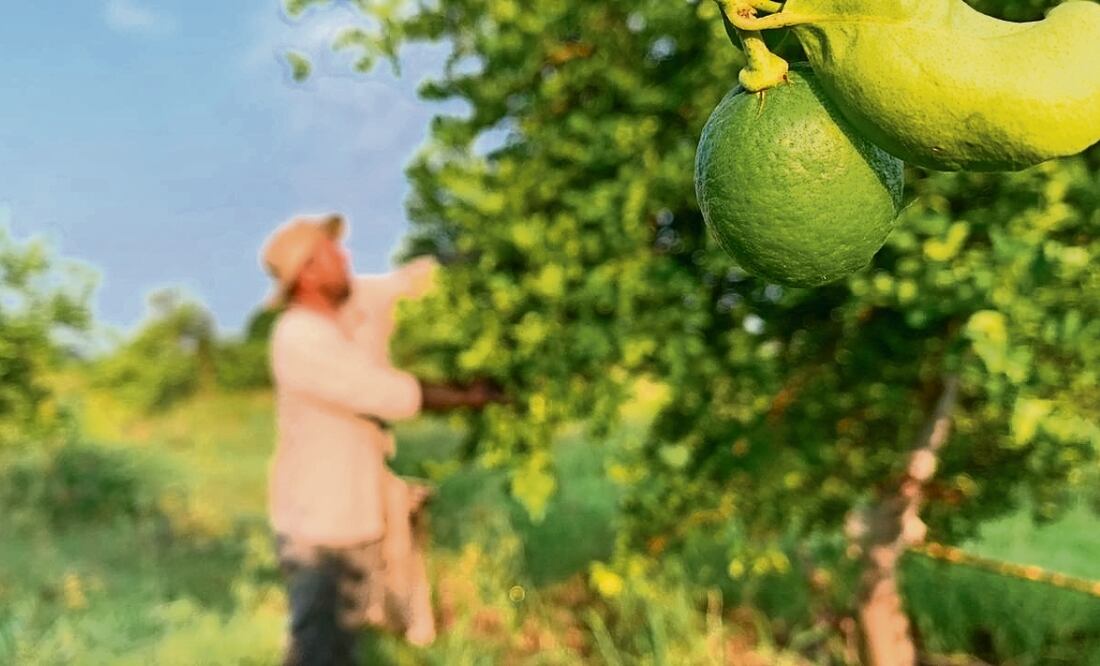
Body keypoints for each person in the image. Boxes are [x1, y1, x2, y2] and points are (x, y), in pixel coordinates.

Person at [259, 213, 499, 665]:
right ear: (308, 274)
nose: (346, 258)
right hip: (321, 528)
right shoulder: (299, 338)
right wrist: (473, 396)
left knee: (343, 642)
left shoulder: (350, 307)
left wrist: (479, 254)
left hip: (354, 515)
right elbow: (385, 393)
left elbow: (409, 283)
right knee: (319, 647)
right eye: (332, 254)